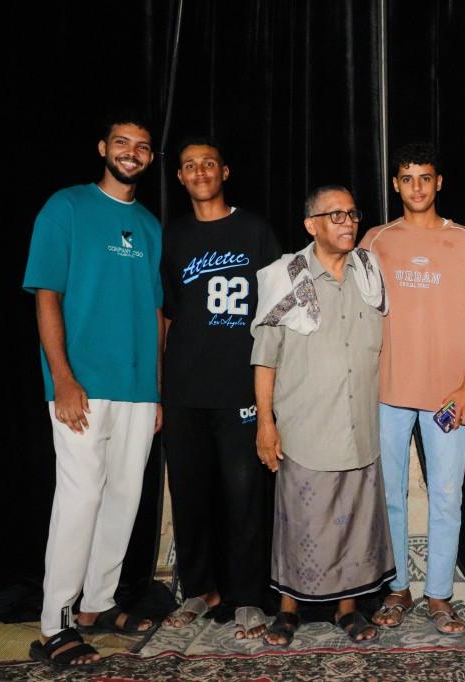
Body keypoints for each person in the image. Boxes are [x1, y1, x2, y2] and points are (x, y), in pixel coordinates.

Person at [24, 115, 162, 669]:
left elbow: (157, 313)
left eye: (142, 147)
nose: (132, 153)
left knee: (123, 499)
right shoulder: (67, 207)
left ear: (149, 158)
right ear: (104, 148)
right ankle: (54, 625)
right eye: (122, 143)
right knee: (79, 499)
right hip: (80, 384)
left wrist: (156, 390)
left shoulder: (149, 225)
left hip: (138, 388)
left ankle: (97, 606)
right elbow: (47, 294)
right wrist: (62, 378)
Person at [250, 185, 394, 646]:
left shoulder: (369, 271)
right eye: (336, 215)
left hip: (358, 425)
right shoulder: (284, 276)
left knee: (352, 524)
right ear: (311, 225)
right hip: (305, 427)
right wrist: (266, 424)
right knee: (301, 524)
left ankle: (347, 610)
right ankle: (287, 611)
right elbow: (265, 358)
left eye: (352, 214)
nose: (348, 223)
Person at [359, 143, 465, 635]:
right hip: (386, 390)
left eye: (425, 177)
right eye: (408, 178)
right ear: (396, 185)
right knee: (388, 494)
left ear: (439, 183)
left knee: (448, 495)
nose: (417, 187)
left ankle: (439, 594)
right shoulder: (376, 239)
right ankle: (398, 588)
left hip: (448, 395)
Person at [160, 137, 281, 639]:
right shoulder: (173, 236)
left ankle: (247, 595)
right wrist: (159, 386)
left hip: (240, 389)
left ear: (224, 171)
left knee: (244, 496)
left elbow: (277, 313)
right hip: (184, 389)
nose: (200, 171)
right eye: (190, 165)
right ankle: (199, 590)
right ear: (180, 177)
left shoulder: (254, 230)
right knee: (189, 495)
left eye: (208, 163)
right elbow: (166, 314)